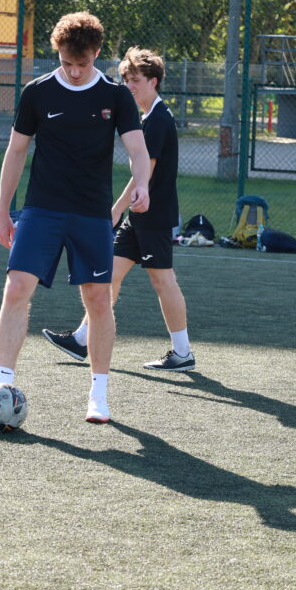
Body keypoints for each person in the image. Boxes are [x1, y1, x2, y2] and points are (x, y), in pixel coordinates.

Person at [0, 12, 152, 424]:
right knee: (16, 289)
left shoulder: (116, 96)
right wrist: (2, 210)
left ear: (96, 53)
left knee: (98, 298)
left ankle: (99, 395)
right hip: (41, 209)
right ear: (57, 54)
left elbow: (138, 150)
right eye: (66, 63)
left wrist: (142, 184)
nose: (74, 71)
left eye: (82, 63)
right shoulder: (38, 92)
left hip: (91, 213)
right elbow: (16, 151)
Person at [41, 47, 194, 372]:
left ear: (153, 81)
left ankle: (182, 353)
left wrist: (115, 210)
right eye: (126, 80)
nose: (129, 86)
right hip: (138, 217)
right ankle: (82, 338)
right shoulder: (147, 118)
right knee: (107, 275)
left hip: (154, 215)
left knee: (163, 281)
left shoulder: (157, 119)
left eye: (135, 80)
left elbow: (144, 173)